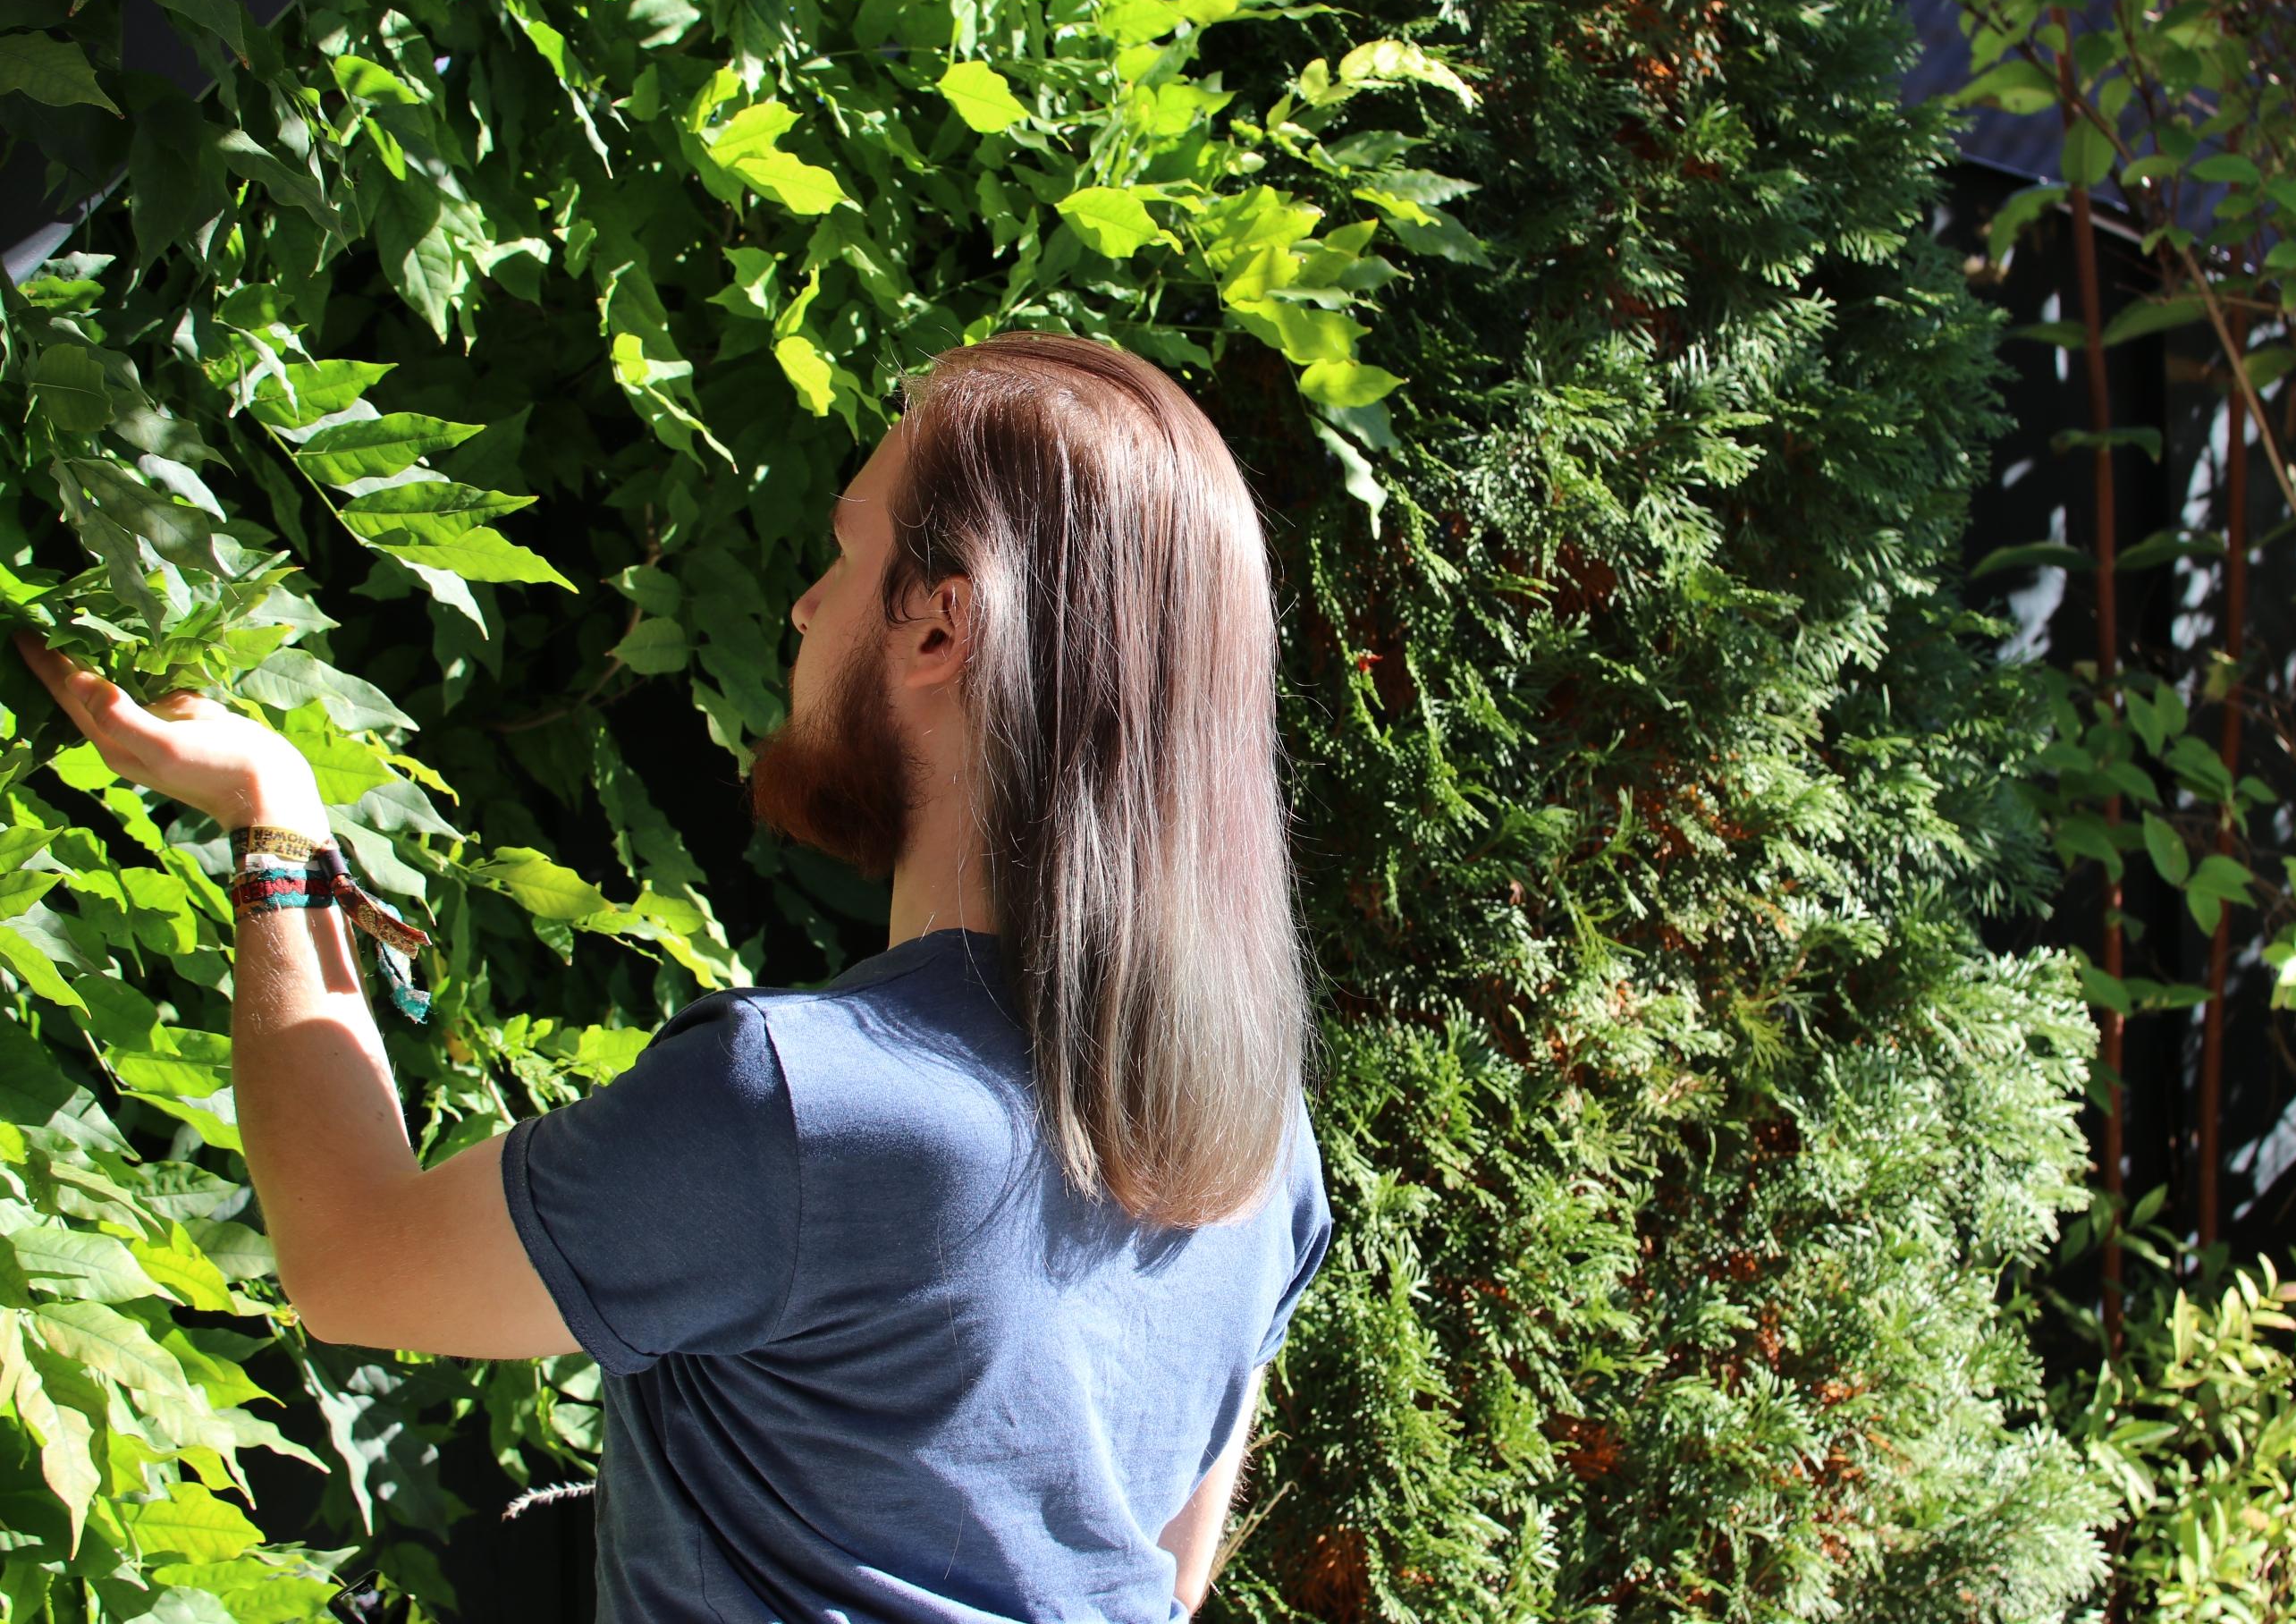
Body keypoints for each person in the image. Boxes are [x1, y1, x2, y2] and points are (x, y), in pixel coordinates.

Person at [11, 330, 1335, 1624]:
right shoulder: (1259, 1144)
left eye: (845, 550)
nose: (805, 606)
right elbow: (1168, 1577)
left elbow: (350, 1258)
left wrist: (278, 824)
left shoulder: (811, 1111)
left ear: (943, 626)